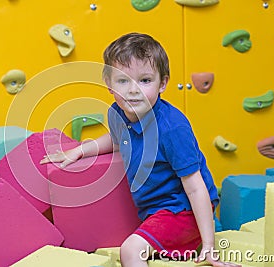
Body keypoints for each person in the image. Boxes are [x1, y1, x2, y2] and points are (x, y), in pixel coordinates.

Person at [40, 32, 240, 267]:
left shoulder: (172, 128)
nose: (133, 90)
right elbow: (117, 139)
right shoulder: (117, 112)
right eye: (123, 81)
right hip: (154, 209)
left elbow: (196, 187)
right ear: (109, 84)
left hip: (181, 210)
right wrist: (82, 150)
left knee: (130, 251)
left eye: (144, 81)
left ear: (162, 83)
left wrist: (209, 247)